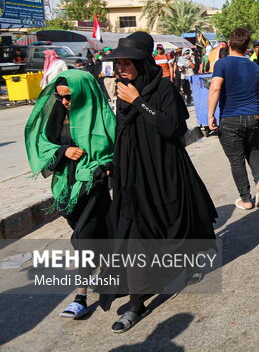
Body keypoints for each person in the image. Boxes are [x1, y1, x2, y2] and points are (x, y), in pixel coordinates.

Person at [101, 31, 218, 332]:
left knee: (173, 226)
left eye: (128, 63)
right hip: (133, 177)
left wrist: (138, 101)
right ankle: (136, 303)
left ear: (143, 63)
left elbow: (171, 127)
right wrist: (116, 166)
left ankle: (184, 263)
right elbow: (124, 133)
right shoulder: (122, 90)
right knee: (133, 237)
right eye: (119, 64)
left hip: (165, 172)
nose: (122, 69)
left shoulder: (162, 87)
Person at [25, 70, 116, 319]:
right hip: (67, 188)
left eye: (69, 97)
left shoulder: (103, 117)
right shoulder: (59, 115)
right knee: (93, 236)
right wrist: (64, 151)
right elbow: (45, 143)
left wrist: (100, 167)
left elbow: (115, 151)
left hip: (92, 186)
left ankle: (80, 296)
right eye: (60, 97)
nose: (64, 102)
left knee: (84, 239)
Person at [207, 28, 259, 210]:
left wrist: (210, 115)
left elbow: (215, 89)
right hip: (253, 116)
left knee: (236, 159)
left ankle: (246, 199)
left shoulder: (222, 64)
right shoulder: (255, 67)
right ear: (247, 46)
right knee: (252, 149)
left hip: (230, 117)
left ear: (229, 43)